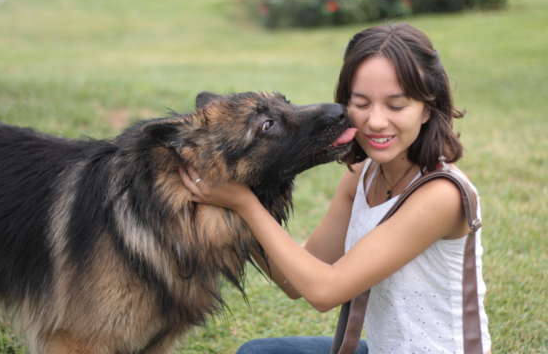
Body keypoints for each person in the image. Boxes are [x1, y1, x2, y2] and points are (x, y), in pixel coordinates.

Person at [179, 23, 491, 354]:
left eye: (396, 106)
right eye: (361, 103)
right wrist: (234, 189)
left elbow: (325, 292)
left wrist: (245, 205)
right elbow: (295, 280)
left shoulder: (441, 195)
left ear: (427, 108)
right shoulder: (364, 172)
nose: (375, 121)